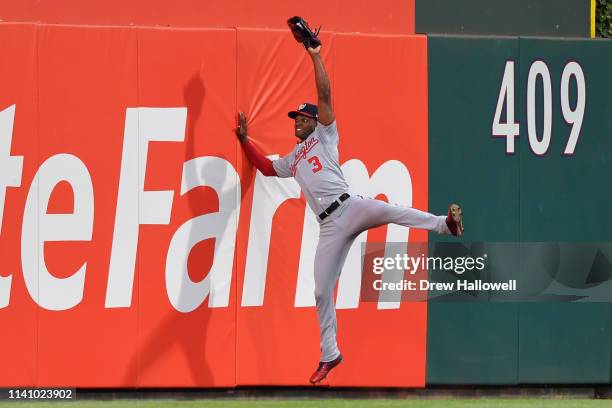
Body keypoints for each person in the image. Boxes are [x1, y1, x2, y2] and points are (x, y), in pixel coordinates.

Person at [235, 42, 463, 385]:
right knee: (321, 290)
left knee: (392, 210)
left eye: (301, 117)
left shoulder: (325, 136)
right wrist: (244, 140)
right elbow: (266, 168)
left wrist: (314, 54)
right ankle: (330, 353)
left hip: (350, 205)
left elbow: (324, 94)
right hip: (328, 226)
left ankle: (445, 225)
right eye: (295, 118)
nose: (297, 121)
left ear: (313, 121)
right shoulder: (292, 159)